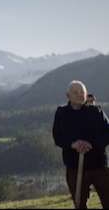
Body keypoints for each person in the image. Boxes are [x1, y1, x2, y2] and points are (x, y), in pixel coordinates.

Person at [52, 80, 109, 208]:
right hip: (74, 166)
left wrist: (91, 144)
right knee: (79, 204)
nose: (78, 95)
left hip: (99, 166)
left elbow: (107, 134)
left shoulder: (96, 112)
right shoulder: (61, 114)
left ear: (86, 94)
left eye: (81, 92)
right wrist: (73, 144)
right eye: (75, 93)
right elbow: (57, 137)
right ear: (68, 96)